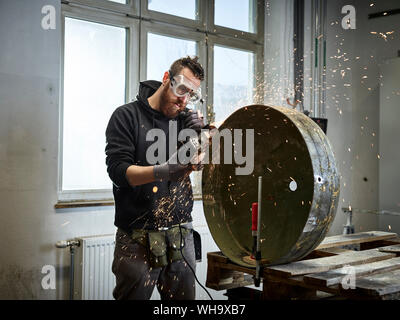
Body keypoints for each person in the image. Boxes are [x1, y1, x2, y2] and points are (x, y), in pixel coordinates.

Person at [105, 56, 206, 300]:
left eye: (191, 95)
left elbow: (201, 163)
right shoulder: (126, 116)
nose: (183, 99)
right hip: (137, 237)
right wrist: (161, 171)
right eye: (181, 89)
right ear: (166, 79)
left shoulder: (184, 119)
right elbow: (118, 172)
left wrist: (200, 135)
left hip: (181, 233)